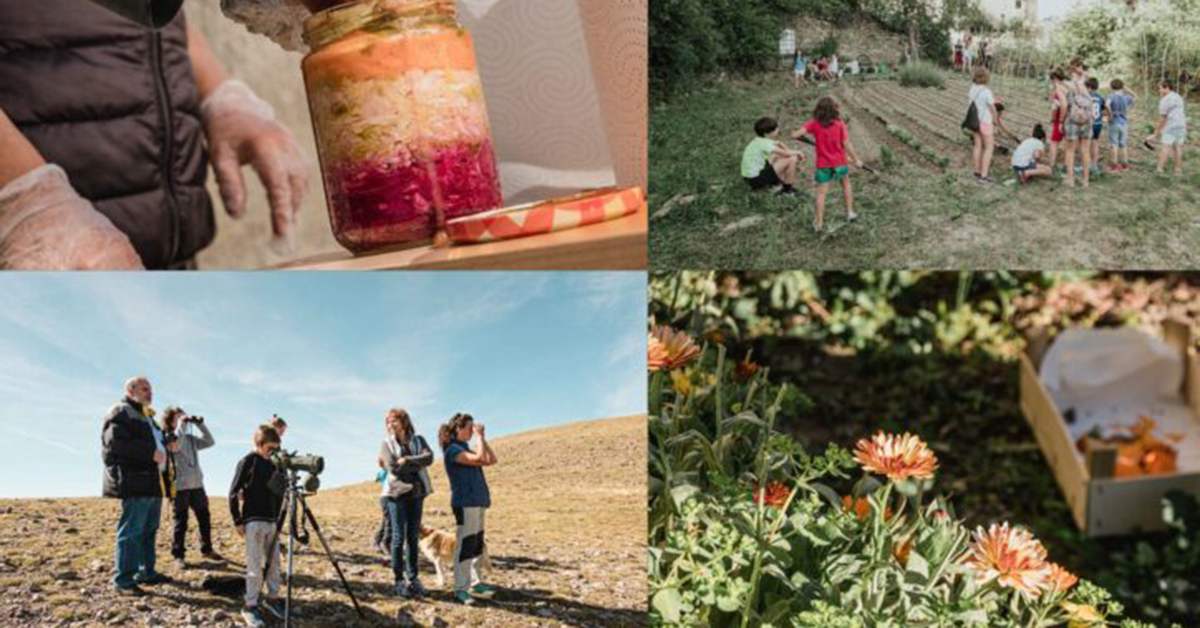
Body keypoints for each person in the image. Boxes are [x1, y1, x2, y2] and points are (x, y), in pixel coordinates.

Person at [0, 0, 309, 270]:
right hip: (48, 257)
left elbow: (159, 17)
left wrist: (220, 92)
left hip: (161, 264)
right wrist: (23, 198)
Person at [101, 376, 174, 596]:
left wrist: (167, 444)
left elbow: (155, 442)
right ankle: (123, 581)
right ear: (131, 390)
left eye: (151, 389)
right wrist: (149, 452)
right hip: (135, 480)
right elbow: (115, 443)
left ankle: (146, 573)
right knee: (132, 531)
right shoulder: (121, 411)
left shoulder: (149, 417)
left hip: (153, 482)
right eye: (145, 389)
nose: (150, 392)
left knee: (149, 530)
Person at [229, 425, 288, 628]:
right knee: (254, 566)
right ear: (260, 444)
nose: (274, 453)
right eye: (271, 449)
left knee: (274, 564)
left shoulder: (274, 464)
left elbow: (279, 493)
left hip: (271, 522)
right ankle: (250, 605)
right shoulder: (248, 461)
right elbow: (233, 492)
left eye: (276, 449)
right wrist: (237, 520)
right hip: (253, 521)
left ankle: (272, 599)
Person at [439, 413, 498, 606]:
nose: (472, 431)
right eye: (469, 427)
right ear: (458, 428)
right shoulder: (453, 450)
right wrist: (480, 437)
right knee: (465, 545)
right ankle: (460, 588)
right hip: (465, 503)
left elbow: (491, 460)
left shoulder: (465, 448)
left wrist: (483, 439)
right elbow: (481, 457)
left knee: (477, 544)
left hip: (478, 501)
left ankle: (476, 582)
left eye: (473, 427)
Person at [378, 408, 434, 598]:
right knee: (398, 537)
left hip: (416, 495)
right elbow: (392, 468)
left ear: (404, 422)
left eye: (394, 420)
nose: (390, 425)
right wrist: (415, 464)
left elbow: (430, 458)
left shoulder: (418, 440)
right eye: (388, 422)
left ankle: (413, 579)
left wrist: (407, 459)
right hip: (396, 495)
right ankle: (399, 580)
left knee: (412, 538)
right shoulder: (386, 444)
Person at [793, 97, 864, 232]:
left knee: (821, 194)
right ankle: (850, 213)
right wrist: (856, 159)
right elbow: (846, 144)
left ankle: (819, 224)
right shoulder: (839, 124)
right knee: (846, 185)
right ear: (834, 110)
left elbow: (797, 134)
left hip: (823, 165)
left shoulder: (814, 123)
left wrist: (795, 134)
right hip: (840, 162)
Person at [162, 407, 221, 570]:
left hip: (197, 485)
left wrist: (201, 425)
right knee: (181, 522)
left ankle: (207, 549)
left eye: (184, 418)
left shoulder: (189, 438)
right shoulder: (168, 436)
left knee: (204, 518)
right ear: (170, 420)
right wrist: (181, 427)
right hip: (180, 487)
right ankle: (178, 556)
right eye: (179, 418)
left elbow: (210, 442)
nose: (184, 420)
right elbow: (175, 447)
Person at [742, 117, 805, 196]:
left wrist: (781, 144)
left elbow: (783, 152)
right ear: (767, 133)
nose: (778, 130)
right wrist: (798, 152)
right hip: (755, 180)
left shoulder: (759, 141)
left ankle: (776, 182)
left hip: (748, 178)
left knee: (777, 155)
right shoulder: (765, 144)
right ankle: (787, 190)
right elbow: (786, 153)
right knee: (792, 159)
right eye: (775, 129)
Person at [1061, 59, 1094, 188]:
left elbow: (1065, 102)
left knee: (1070, 150)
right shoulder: (1087, 82)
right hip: (1086, 119)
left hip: (1072, 119)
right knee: (1085, 150)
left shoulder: (1069, 83)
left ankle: (1071, 179)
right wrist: (1082, 72)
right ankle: (1086, 181)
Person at [1149, 79, 1187, 176]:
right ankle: (1178, 170)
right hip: (1181, 124)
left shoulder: (1165, 100)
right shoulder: (1178, 96)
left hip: (1171, 125)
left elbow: (1163, 118)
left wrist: (1156, 132)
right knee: (1177, 147)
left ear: (1167, 88)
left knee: (1165, 147)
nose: (1159, 91)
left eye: (1160, 88)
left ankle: (1160, 169)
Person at [968, 68, 998, 183]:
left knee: (977, 146)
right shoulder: (986, 91)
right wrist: (995, 120)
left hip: (974, 122)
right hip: (985, 122)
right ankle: (984, 176)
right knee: (989, 147)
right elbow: (993, 109)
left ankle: (977, 171)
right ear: (986, 78)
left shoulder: (972, 89)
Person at [1106, 79, 1136, 172]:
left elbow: (1107, 104)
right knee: (1123, 145)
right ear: (1122, 87)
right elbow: (1135, 97)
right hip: (1124, 122)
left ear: (1111, 87)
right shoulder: (1125, 97)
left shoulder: (1111, 96)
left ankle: (1113, 166)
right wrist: (1127, 89)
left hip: (1114, 121)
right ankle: (1125, 165)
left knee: (1113, 144)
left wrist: (1110, 115)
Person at [1047, 69, 1068, 174]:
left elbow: (1057, 107)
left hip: (1061, 119)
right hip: (1071, 119)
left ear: (1054, 79)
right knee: (1067, 143)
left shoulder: (1058, 90)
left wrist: (1056, 120)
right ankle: (1065, 166)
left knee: (1054, 143)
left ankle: (1051, 166)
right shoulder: (1068, 87)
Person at [1086, 77, 1106, 177]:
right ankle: (1095, 165)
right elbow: (1104, 109)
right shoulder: (1100, 97)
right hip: (1098, 124)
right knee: (1095, 144)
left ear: (1089, 87)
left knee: (1086, 145)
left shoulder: (1086, 96)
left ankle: (1088, 165)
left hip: (1089, 123)